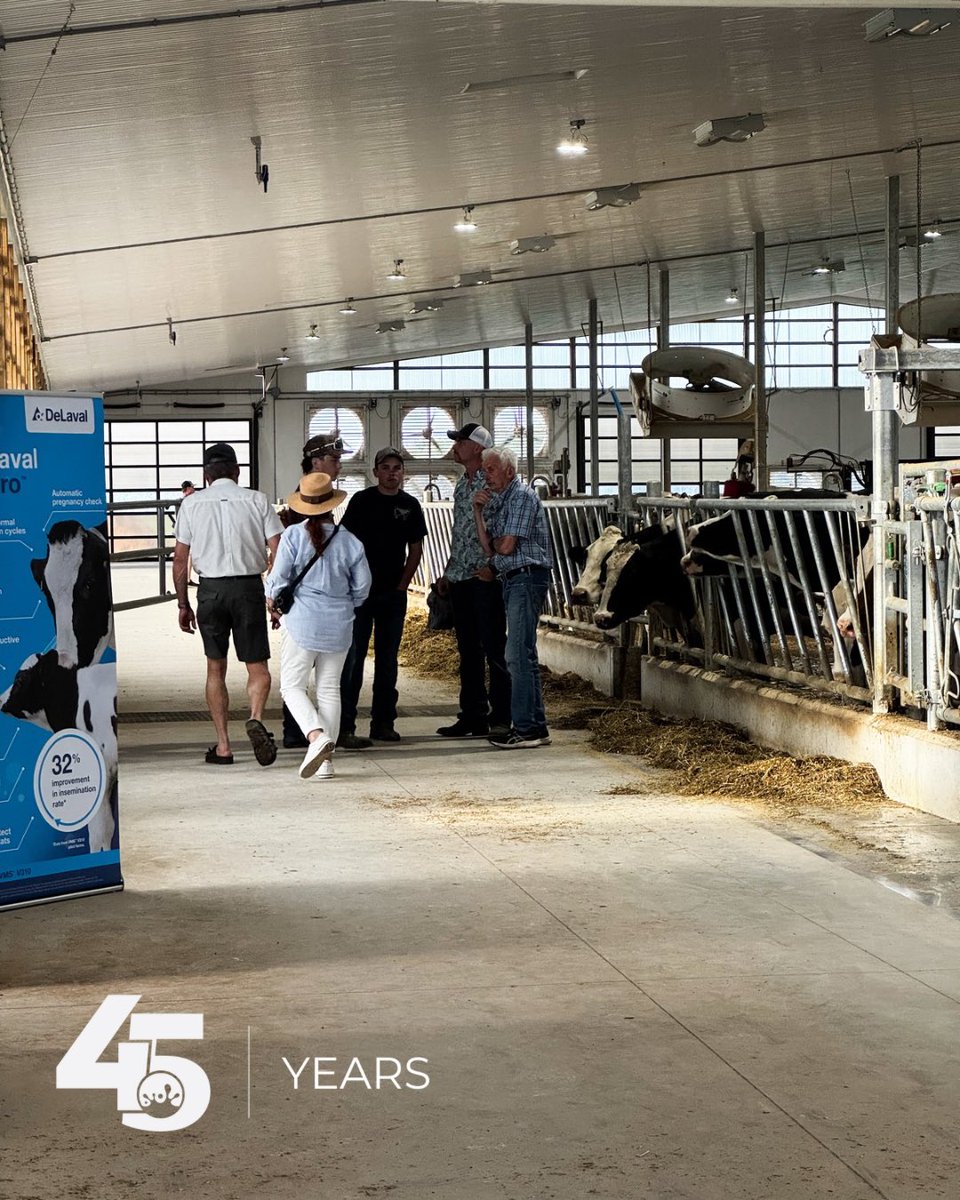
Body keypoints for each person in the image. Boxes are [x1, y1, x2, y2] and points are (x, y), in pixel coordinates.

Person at [173, 442, 283, 767]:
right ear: (237, 472)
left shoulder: (191, 505)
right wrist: (272, 593)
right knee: (257, 666)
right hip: (249, 588)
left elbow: (181, 561)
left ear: (206, 476)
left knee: (215, 667)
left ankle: (223, 747)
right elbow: (279, 549)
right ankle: (256, 718)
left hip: (210, 591)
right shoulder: (257, 500)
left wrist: (183, 604)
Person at [264, 472, 371, 781]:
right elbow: (363, 587)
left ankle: (315, 736)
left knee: (292, 686)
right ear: (331, 505)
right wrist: (345, 603)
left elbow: (278, 580)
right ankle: (326, 762)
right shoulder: (350, 540)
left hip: (302, 622)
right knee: (329, 688)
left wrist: (271, 601)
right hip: (339, 623)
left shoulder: (293, 537)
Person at [338, 447, 427, 748]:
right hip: (360, 594)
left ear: (404, 473)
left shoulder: (410, 505)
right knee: (354, 659)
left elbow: (415, 549)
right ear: (375, 472)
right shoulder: (361, 501)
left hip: (393, 593)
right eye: (385, 467)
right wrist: (350, 583)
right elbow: (345, 542)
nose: (392, 473)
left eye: (397, 468)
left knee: (388, 660)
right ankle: (345, 725)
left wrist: (403, 586)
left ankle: (383, 722)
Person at [473, 445, 553, 750]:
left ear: (510, 470)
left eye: (490, 469)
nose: (485, 475)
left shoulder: (520, 497)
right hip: (514, 579)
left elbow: (504, 547)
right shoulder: (500, 501)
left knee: (517, 656)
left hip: (526, 577)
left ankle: (525, 729)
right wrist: (477, 511)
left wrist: (496, 550)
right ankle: (535, 726)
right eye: (483, 470)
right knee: (524, 655)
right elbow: (489, 547)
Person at [435, 423, 511, 738]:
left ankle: (502, 715)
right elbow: (460, 534)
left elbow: (503, 528)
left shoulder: (493, 482)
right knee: (467, 649)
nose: (455, 446)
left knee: (494, 647)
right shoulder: (461, 485)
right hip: (461, 576)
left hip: (485, 576)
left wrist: (495, 566)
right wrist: (449, 570)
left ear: (476, 448)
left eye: (460, 442)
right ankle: (473, 714)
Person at [279, 434, 348, 750]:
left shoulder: (314, 496)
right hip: (312, 603)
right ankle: (309, 734)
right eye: (334, 460)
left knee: (304, 674)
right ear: (316, 461)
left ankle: (311, 734)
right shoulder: (306, 501)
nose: (338, 465)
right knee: (306, 677)